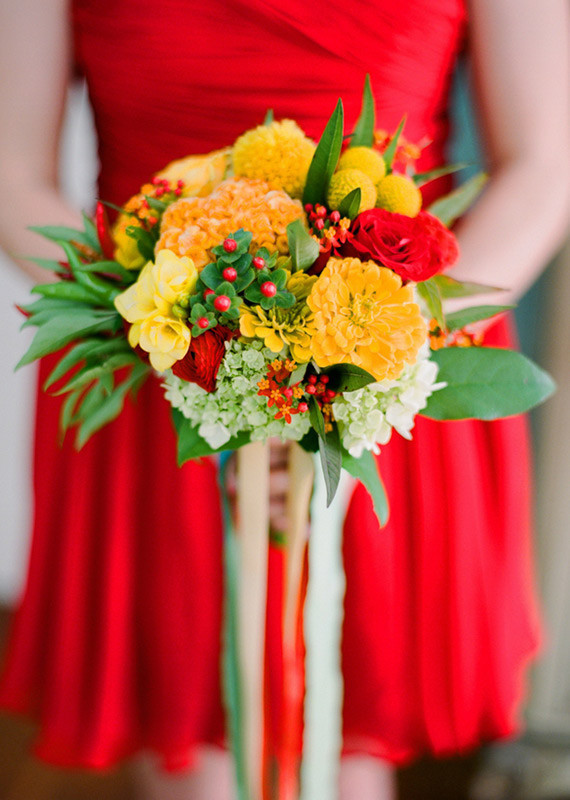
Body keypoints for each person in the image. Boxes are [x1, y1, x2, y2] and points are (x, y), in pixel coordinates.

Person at [0, 1, 568, 799]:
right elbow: (11, 170)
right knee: (185, 746)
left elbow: (544, 160)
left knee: (349, 737)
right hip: (151, 360)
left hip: (387, 353)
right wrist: (180, 334)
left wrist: (362, 355)